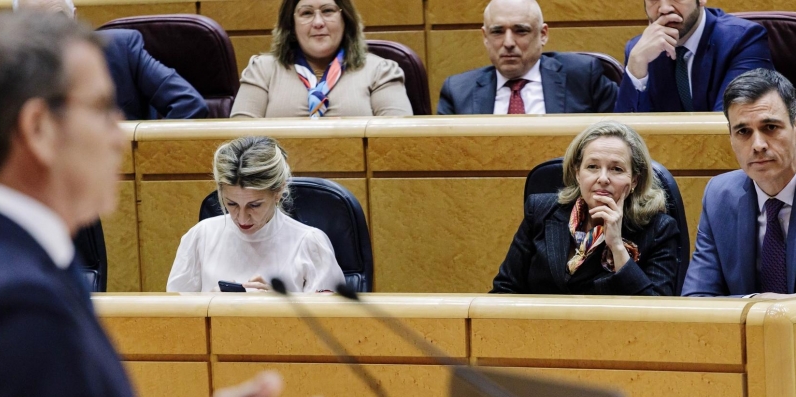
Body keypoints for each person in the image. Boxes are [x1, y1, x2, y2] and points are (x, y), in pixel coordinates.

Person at [0, 11, 390, 397]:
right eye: (104, 109)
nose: (120, 135)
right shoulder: (18, 297)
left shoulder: (37, 263)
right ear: (39, 128)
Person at [491, 121, 680, 295]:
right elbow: (504, 290)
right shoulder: (540, 211)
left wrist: (617, 247)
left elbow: (656, 314)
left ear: (634, 181)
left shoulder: (659, 230)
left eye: (617, 169)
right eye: (592, 166)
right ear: (578, 174)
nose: (603, 178)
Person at [167, 136, 346, 293]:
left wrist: (280, 307)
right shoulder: (200, 236)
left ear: (278, 191)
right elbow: (174, 320)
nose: (242, 218)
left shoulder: (310, 243)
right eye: (232, 204)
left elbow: (332, 325)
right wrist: (209, 303)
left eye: (254, 205)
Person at [683, 68, 796, 297]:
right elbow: (697, 299)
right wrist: (758, 305)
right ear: (731, 140)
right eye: (743, 131)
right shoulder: (720, 196)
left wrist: (782, 311)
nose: (758, 145)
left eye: (770, 127)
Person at [14, 0, 209, 120]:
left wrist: (144, 158)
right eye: (37, 26)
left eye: (59, 20)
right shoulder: (9, 70)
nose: (52, 35)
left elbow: (189, 103)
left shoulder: (121, 49)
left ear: (74, 18)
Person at [230, 0, 412, 118]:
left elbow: (398, 143)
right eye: (306, 13)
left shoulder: (380, 71)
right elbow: (238, 143)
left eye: (328, 11)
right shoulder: (262, 70)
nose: (318, 22)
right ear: (291, 25)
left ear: (345, 20)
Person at [436, 0, 617, 115]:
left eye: (520, 31)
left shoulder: (583, 76)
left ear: (543, 34)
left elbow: (624, 133)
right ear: (485, 37)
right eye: (497, 32)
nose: (508, 42)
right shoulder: (458, 91)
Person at [614, 0, 773, 113]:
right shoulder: (640, 52)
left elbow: (730, 125)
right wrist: (636, 65)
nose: (664, 8)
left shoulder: (743, 40)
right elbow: (625, 137)